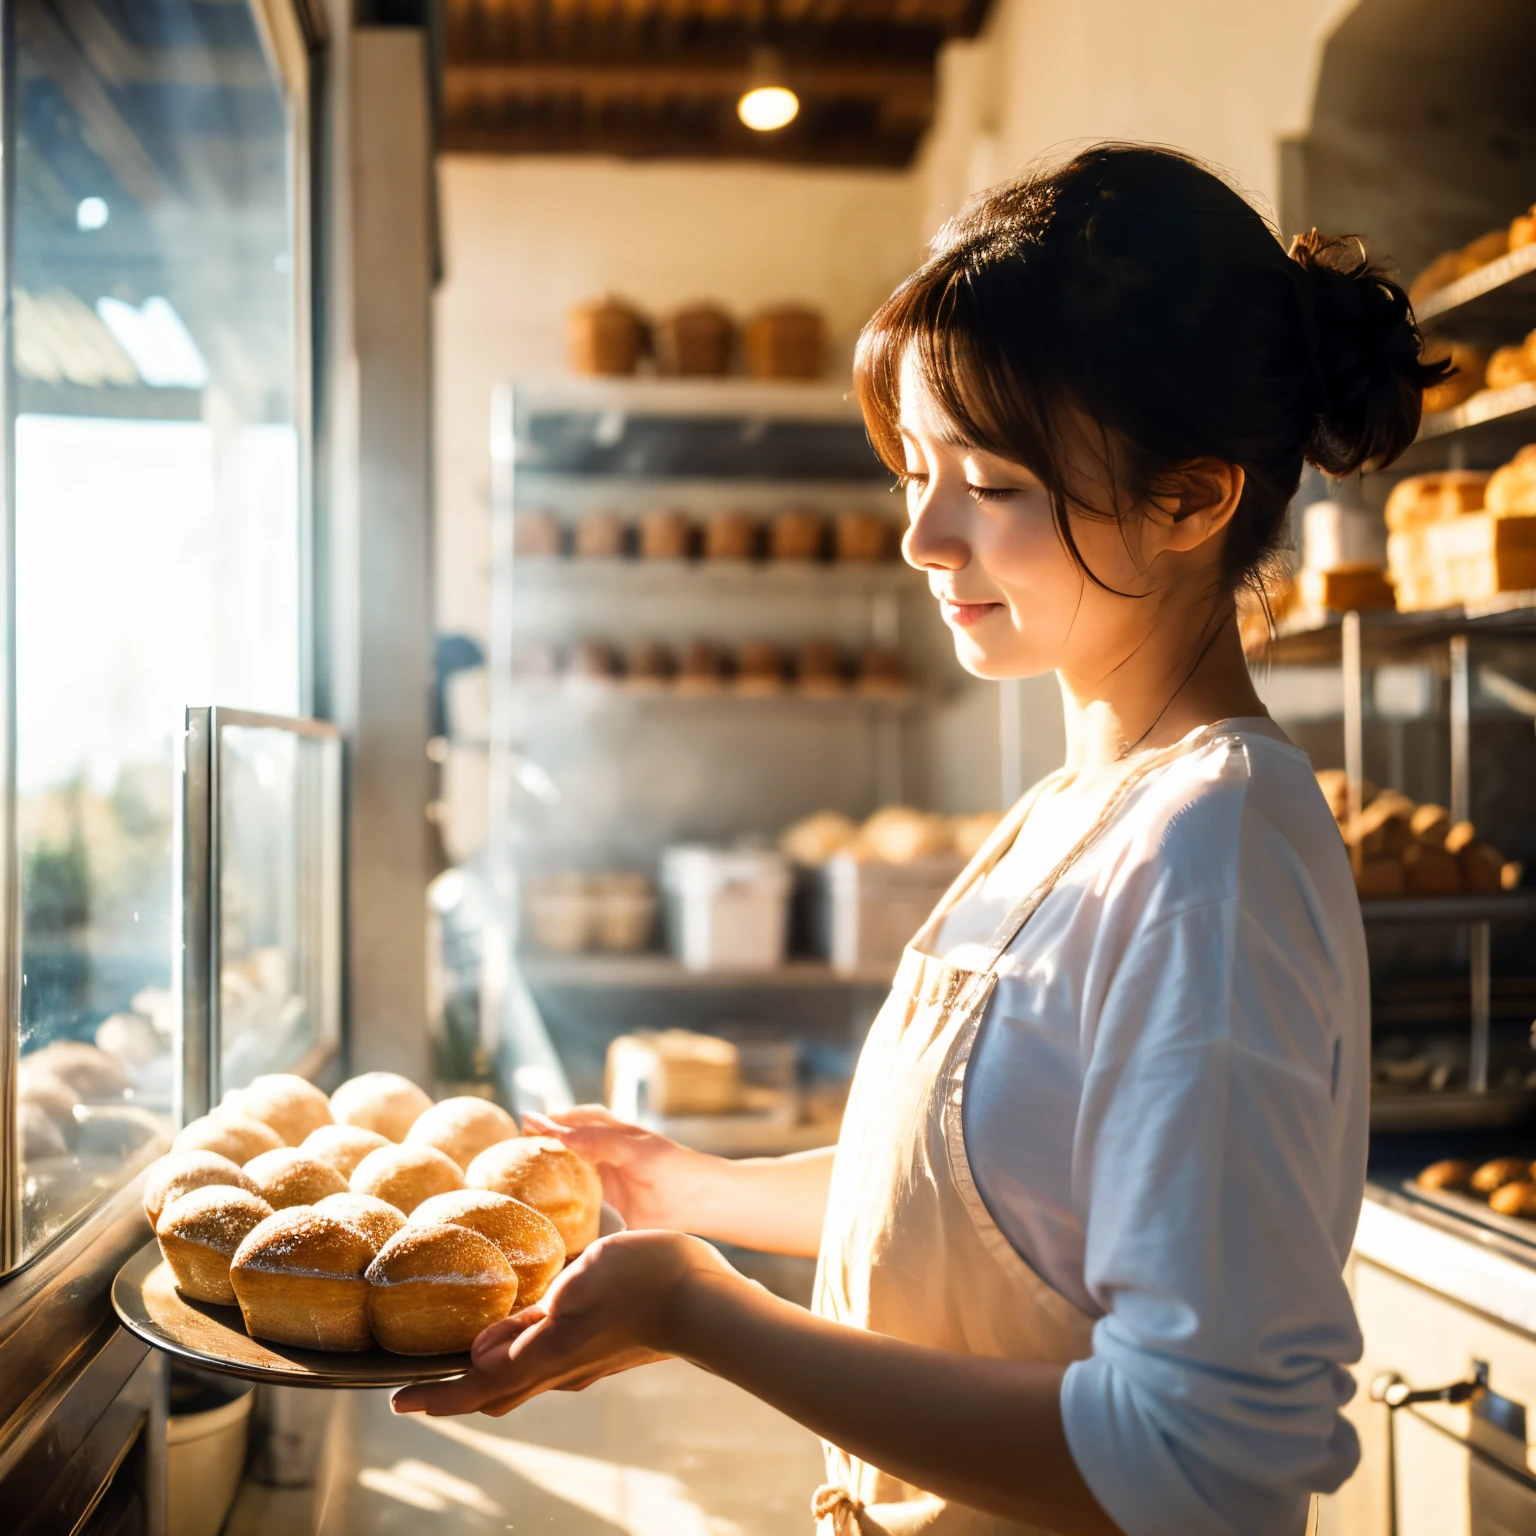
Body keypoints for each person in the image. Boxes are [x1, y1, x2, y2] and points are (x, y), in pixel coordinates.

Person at [393, 144, 1443, 1535]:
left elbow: (1200, 1463)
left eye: (992, 484)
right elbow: (1004, 1205)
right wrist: (697, 1192)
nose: (924, 537)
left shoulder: (1217, 851)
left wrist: (706, 1313)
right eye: (916, 469)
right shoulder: (1076, 806)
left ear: (1193, 499)